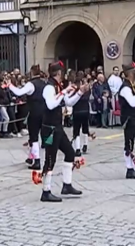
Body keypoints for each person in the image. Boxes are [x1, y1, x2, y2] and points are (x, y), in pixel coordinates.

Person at [38, 61, 89, 202]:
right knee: (50, 159)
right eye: (63, 73)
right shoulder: (49, 87)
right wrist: (63, 92)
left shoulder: (57, 86)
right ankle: (45, 191)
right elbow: (50, 104)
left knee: (70, 153)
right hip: (49, 129)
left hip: (57, 127)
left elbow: (69, 102)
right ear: (59, 73)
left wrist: (80, 92)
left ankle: (67, 185)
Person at [9, 65, 46, 170]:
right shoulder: (44, 83)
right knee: (36, 136)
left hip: (34, 112)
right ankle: (31, 157)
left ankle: (37, 161)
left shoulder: (31, 84)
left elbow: (19, 92)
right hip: (44, 112)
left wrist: (10, 86)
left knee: (34, 136)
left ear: (32, 72)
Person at [72, 78, 91, 155]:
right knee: (85, 128)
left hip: (77, 111)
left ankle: (77, 149)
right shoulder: (87, 91)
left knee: (76, 130)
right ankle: (85, 144)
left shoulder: (75, 91)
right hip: (85, 111)